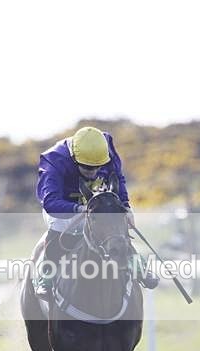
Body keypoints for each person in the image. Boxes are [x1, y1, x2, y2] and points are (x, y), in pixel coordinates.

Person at [35, 126, 158, 299]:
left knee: (114, 225)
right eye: (87, 168)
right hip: (63, 204)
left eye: (97, 167)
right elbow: (50, 203)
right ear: (74, 160)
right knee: (60, 227)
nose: (93, 173)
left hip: (94, 197)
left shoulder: (106, 149)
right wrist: (80, 209)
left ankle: (138, 266)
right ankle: (46, 278)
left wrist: (125, 206)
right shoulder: (53, 161)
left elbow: (119, 178)